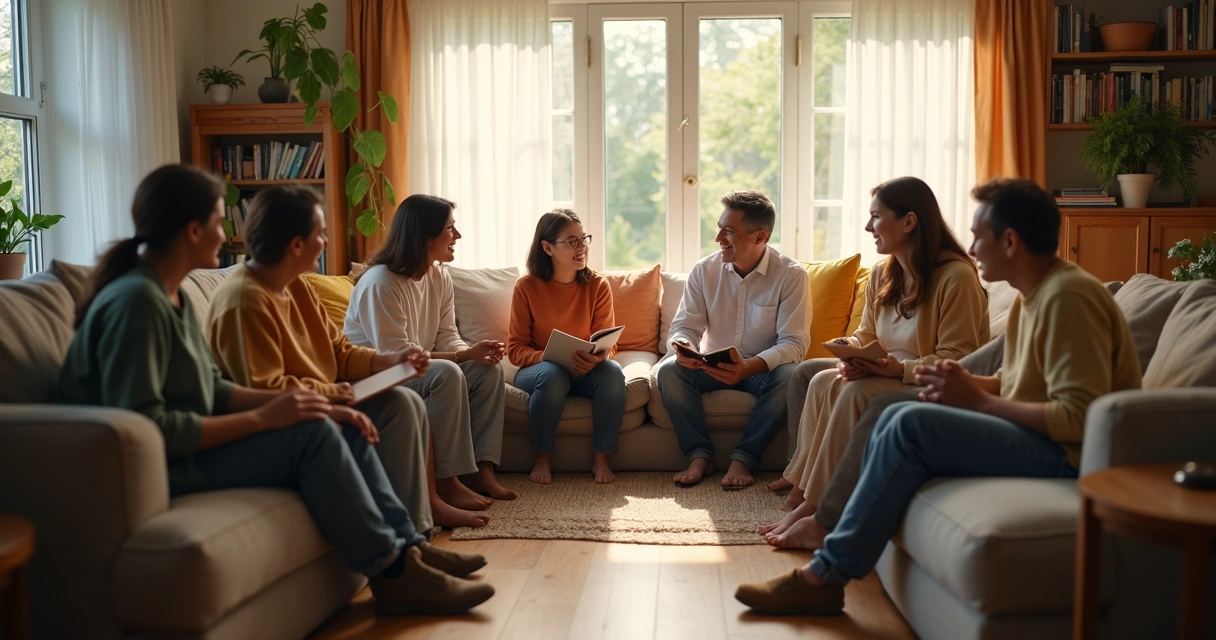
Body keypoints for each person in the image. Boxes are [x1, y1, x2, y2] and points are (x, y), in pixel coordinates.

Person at [56, 165, 494, 616]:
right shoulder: (138, 304)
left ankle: (408, 549)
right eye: (218, 219)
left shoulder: (170, 295)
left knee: (344, 418)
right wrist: (273, 415)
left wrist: (308, 402)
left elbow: (214, 388)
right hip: (170, 461)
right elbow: (149, 428)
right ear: (192, 230)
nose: (227, 231)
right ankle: (397, 572)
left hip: (193, 442)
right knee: (317, 433)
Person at [735, 177, 1141, 615]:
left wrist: (978, 401)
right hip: (1041, 437)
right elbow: (1016, 383)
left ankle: (825, 571)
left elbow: (1079, 419)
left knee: (906, 420)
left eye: (978, 236)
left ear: (1009, 241)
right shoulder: (1035, 297)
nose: (971, 248)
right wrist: (966, 387)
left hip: (1067, 455)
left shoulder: (1069, 298)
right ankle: (824, 541)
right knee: (891, 409)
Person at [205, 185, 461, 529]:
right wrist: (332, 394)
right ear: (296, 245)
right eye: (321, 234)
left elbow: (338, 351)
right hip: (285, 414)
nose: (325, 242)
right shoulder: (245, 300)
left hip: (322, 396)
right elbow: (264, 387)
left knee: (405, 403)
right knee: (403, 402)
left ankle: (418, 526)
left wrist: (388, 360)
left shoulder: (298, 285)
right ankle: (410, 536)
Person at [762, 177, 990, 541]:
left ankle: (817, 507)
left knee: (853, 393)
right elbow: (867, 336)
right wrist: (851, 352)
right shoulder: (885, 273)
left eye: (876, 217)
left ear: (909, 221)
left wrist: (898, 368)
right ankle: (804, 489)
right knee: (821, 378)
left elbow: (959, 358)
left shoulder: (956, 277)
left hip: (927, 381)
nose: (868, 228)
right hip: (886, 370)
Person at [345, 194, 516, 509]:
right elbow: (397, 356)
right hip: (375, 378)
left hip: (417, 369)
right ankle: (446, 484)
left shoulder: (439, 275)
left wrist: (473, 353)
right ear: (426, 237)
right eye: (451, 229)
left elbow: (446, 335)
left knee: (488, 369)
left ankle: (481, 472)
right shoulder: (381, 284)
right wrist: (463, 356)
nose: (458, 236)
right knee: (448, 372)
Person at [656, 190, 810, 489]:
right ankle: (700, 455)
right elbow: (685, 326)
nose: (718, 238)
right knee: (669, 370)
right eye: (719, 226)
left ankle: (744, 458)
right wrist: (683, 346)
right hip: (710, 366)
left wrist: (749, 367)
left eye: (728, 231)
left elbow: (795, 343)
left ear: (760, 236)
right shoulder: (704, 270)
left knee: (792, 376)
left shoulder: (791, 275)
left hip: (762, 371)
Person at [508, 209, 625, 484]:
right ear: (547, 247)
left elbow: (607, 341)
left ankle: (601, 458)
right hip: (540, 371)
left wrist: (599, 357)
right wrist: (548, 357)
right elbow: (515, 349)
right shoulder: (526, 287)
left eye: (583, 239)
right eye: (571, 241)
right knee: (552, 374)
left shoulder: (598, 285)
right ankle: (541, 457)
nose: (581, 247)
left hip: (585, 370)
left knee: (612, 373)